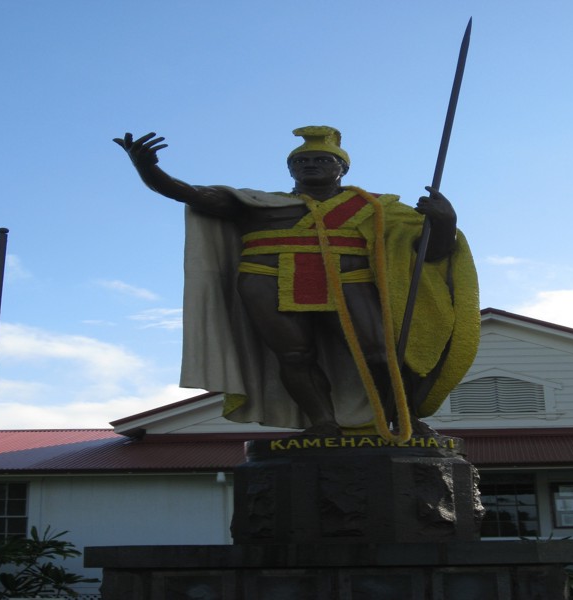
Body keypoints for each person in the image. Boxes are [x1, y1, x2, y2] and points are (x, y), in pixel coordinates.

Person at [114, 126, 478, 439]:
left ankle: (402, 417)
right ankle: (322, 422)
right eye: (301, 161)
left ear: (342, 168)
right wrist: (149, 170)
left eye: (322, 159)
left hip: (350, 281)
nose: (311, 165)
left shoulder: (377, 208)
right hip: (268, 281)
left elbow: (431, 256)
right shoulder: (258, 204)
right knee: (294, 355)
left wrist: (445, 221)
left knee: (381, 353)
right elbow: (190, 193)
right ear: (290, 169)